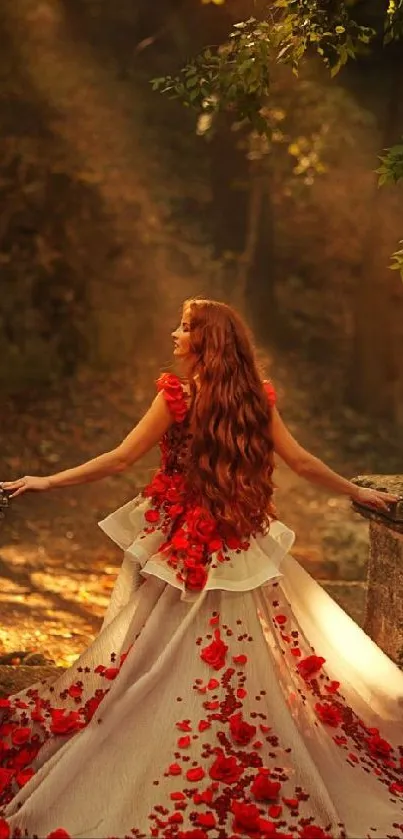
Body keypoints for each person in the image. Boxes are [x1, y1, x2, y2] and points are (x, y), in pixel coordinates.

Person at [0, 297, 402, 839]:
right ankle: (220, 731)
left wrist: (46, 481)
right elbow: (301, 462)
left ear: (205, 341)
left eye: (185, 327)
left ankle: (175, 732)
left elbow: (121, 459)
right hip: (235, 539)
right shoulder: (255, 400)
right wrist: (358, 491)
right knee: (234, 648)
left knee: (155, 649)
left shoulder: (179, 398)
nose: (174, 334)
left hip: (184, 543)